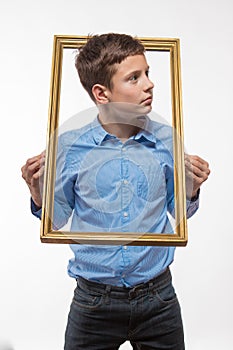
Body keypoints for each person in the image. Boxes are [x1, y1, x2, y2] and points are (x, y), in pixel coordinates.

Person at [21, 33, 210, 350]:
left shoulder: (166, 138)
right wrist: (38, 193)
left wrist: (191, 190)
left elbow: (179, 214)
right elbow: (57, 219)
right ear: (102, 93)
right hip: (93, 301)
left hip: (158, 299)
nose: (149, 85)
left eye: (148, 73)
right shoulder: (69, 146)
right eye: (134, 78)